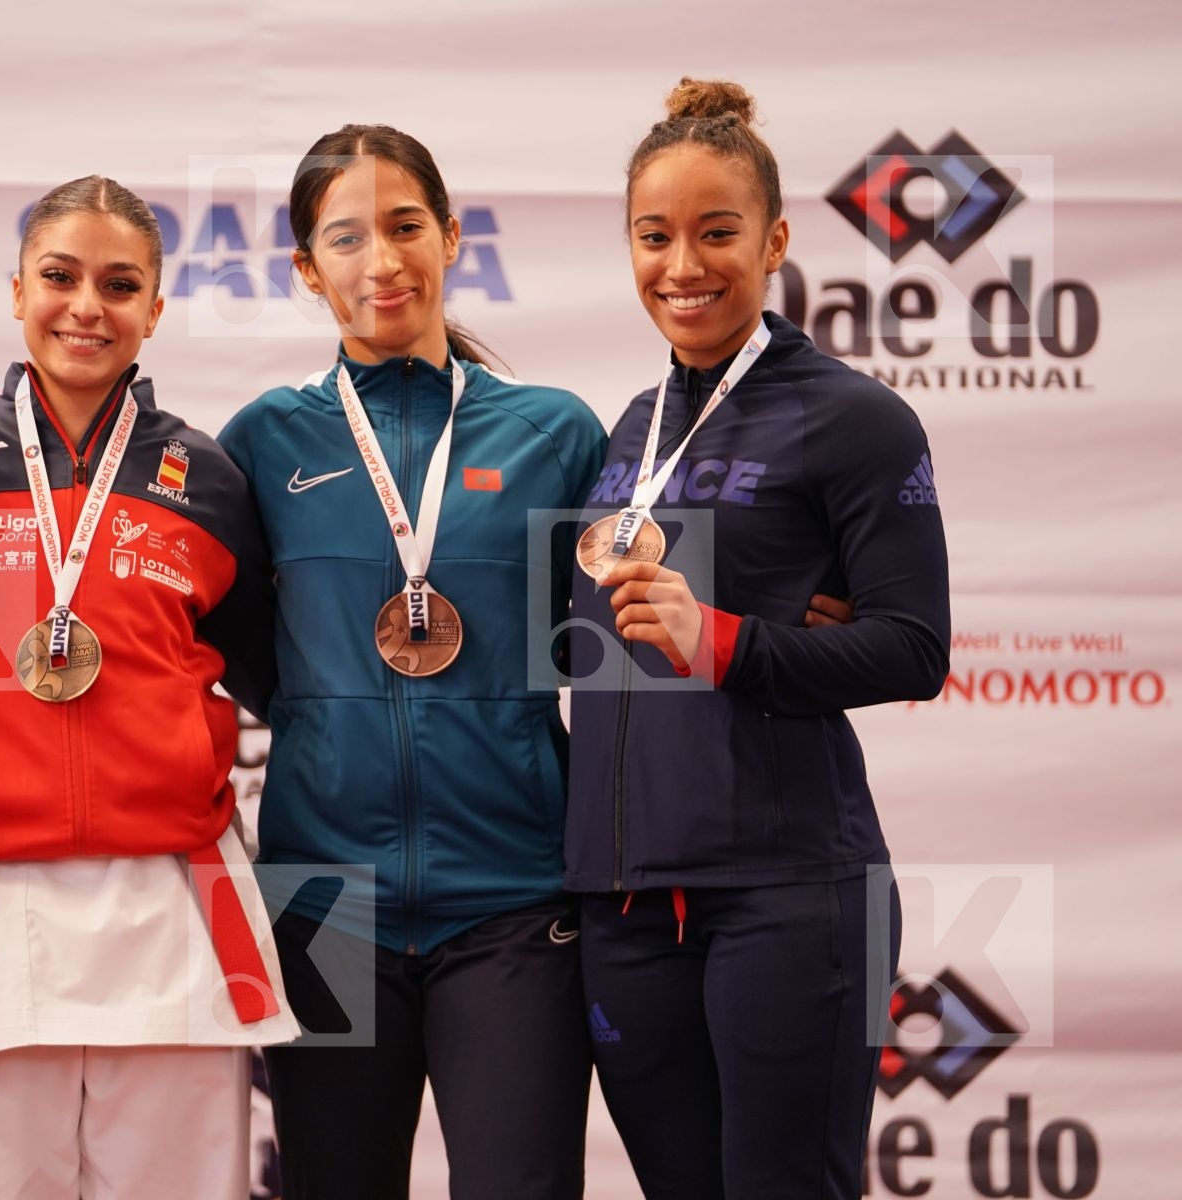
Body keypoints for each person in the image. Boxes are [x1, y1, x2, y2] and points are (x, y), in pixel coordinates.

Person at [0, 175, 299, 1200]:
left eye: (119, 285)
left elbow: (280, 678)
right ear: (18, 290)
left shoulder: (209, 478)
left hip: (173, 902)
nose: (86, 307)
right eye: (60, 277)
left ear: (155, 307)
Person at [565, 78, 951, 1199]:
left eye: (717, 232)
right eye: (654, 236)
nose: (682, 264)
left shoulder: (856, 417)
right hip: (625, 902)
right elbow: (589, 650)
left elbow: (914, 647)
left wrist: (728, 641)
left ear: (775, 241)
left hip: (788, 893)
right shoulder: (630, 431)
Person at [217, 125, 606, 1200]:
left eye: (404, 227)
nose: (381, 260)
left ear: (452, 235)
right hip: (327, 905)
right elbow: (244, 648)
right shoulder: (263, 442)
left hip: (514, 897)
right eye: (346, 238)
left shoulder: (555, 434)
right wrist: (334, 718)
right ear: (307, 268)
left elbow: (626, 644)